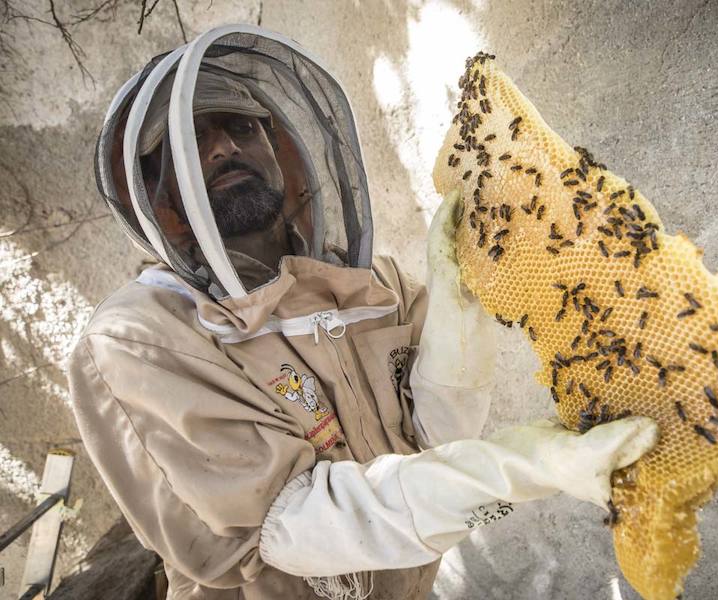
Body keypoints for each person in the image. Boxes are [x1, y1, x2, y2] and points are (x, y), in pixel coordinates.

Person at [69, 25, 658, 600]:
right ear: (155, 201)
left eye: (240, 127)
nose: (222, 146)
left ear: (286, 155)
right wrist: (524, 468)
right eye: (189, 144)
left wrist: (463, 302)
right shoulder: (140, 338)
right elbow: (292, 523)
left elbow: (434, 433)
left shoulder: (371, 282)